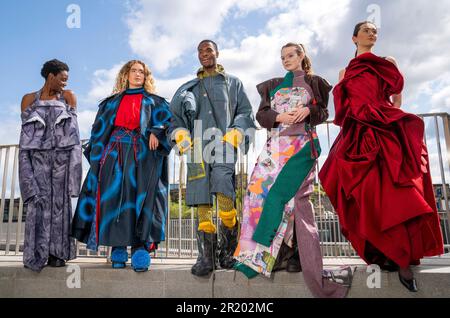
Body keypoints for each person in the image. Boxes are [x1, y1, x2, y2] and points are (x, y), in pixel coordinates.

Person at [319, 21, 444, 292]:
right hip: (358, 132)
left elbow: (397, 99)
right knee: (361, 188)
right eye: (366, 30)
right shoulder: (344, 71)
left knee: (396, 191)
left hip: (383, 127)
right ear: (354, 38)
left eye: (375, 31)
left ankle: (402, 259)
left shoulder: (387, 61)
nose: (372, 33)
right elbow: (342, 109)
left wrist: (384, 114)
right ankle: (381, 251)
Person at [233, 43, 351, 298]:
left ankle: (297, 256)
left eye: (290, 55)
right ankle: (258, 257)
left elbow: (323, 112)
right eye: (283, 57)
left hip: (301, 147)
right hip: (274, 148)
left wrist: (308, 110)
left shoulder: (315, 82)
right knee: (255, 194)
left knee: (293, 201)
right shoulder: (272, 84)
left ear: (301, 57)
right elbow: (261, 116)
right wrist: (279, 117)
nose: (286, 60)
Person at [71, 60, 172, 272]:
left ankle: (139, 248)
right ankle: (117, 249)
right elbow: (97, 131)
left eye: (141, 72)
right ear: (125, 75)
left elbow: (169, 123)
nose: (137, 75)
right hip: (113, 154)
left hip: (143, 156)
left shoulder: (156, 102)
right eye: (133, 71)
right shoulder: (109, 103)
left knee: (141, 199)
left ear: (146, 77)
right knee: (114, 201)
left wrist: (157, 131)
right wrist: (99, 160)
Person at [170, 40, 256, 277]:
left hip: (224, 143)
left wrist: (236, 133)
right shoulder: (188, 89)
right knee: (201, 200)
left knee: (223, 190)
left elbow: (245, 112)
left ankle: (227, 252)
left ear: (217, 53)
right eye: (200, 51)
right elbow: (175, 119)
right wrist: (181, 135)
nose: (204, 54)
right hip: (197, 148)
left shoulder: (233, 83)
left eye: (208, 50)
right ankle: (206, 257)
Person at [19, 59, 82, 271]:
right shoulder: (28, 99)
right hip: (37, 163)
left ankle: (57, 253)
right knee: (37, 205)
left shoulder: (68, 97)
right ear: (51, 76)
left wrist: (75, 174)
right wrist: (25, 174)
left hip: (62, 163)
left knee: (60, 208)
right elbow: (24, 141)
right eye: (62, 79)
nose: (65, 83)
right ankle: (37, 254)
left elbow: (74, 137)